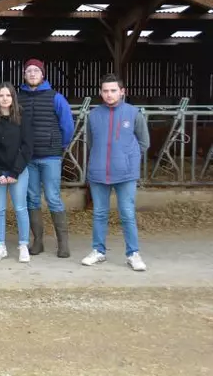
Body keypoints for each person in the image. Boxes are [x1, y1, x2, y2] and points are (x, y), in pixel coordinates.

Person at [82, 74, 149, 271]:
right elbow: (91, 142)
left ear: (122, 91)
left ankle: (133, 253)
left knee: (127, 213)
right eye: (105, 91)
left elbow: (144, 142)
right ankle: (98, 251)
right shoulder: (93, 115)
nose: (109, 94)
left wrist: (129, 159)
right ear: (100, 93)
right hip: (99, 172)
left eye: (113, 90)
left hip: (125, 173)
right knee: (99, 213)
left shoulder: (133, 113)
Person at [19, 58, 74, 258]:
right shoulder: (19, 98)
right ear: (24, 75)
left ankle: (63, 244)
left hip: (50, 156)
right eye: (29, 71)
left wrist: (60, 145)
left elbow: (67, 125)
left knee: (53, 198)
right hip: (29, 158)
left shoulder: (56, 98)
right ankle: (38, 242)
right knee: (32, 198)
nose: (32, 74)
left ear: (43, 74)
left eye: (36, 71)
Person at [0, 82, 33, 263]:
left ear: (13, 98)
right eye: (1, 95)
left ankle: (23, 245)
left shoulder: (22, 116)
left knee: (20, 208)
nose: (5, 99)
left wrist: (14, 172)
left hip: (17, 171)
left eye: (8, 95)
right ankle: (1, 245)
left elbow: (27, 147)